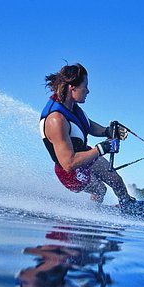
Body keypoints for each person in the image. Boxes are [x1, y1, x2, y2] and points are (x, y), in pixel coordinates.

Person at [39, 63, 133, 205]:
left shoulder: (71, 106)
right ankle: (92, 213)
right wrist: (102, 149)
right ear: (73, 87)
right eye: (86, 86)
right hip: (69, 172)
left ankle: (128, 206)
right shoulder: (56, 120)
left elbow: (86, 124)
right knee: (100, 189)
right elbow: (69, 163)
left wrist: (108, 131)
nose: (88, 91)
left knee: (116, 180)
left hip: (84, 154)